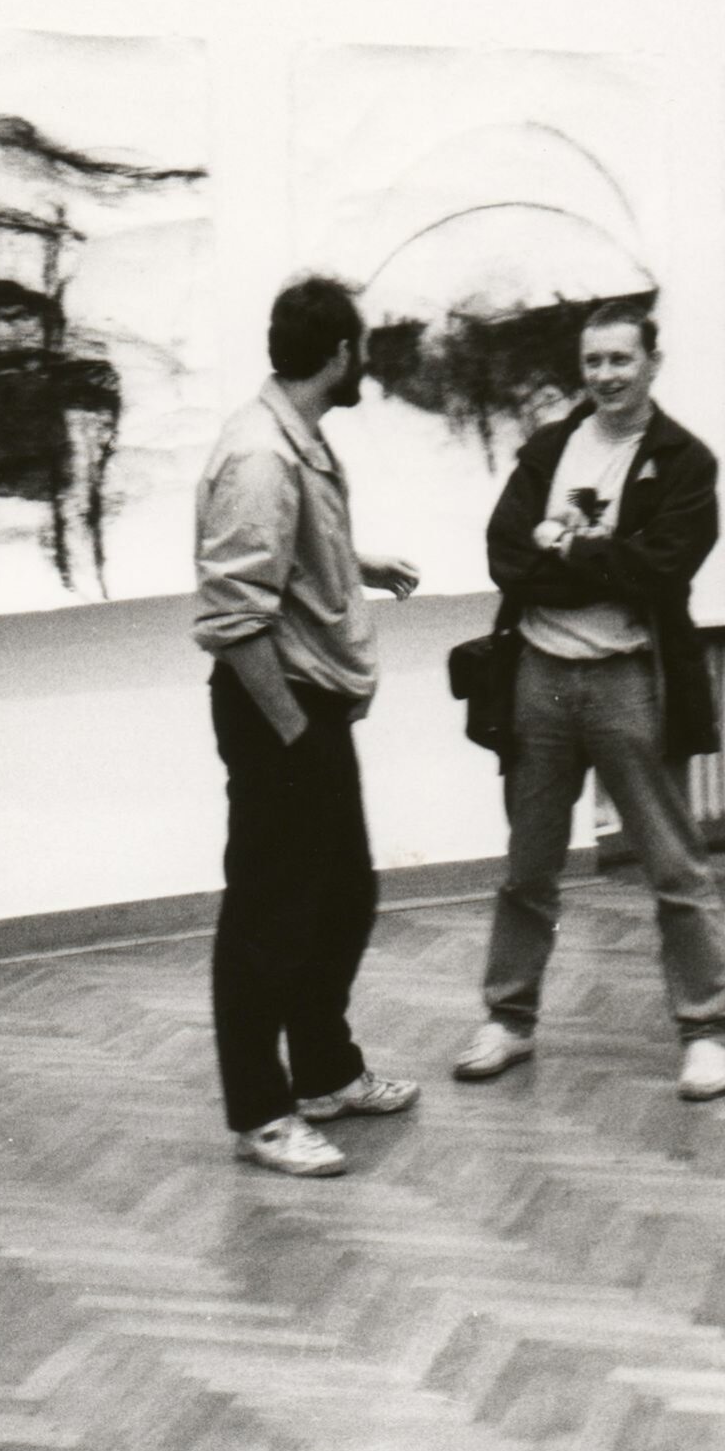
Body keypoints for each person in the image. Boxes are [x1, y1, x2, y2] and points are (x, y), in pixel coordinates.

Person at [453, 301, 725, 1101]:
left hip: (630, 682)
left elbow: (663, 568)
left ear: (652, 363)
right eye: (594, 361)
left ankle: (705, 1031)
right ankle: (509, 1019)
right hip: (539, 679)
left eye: (620, 359)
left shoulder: (684, 461)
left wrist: (569, 550)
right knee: (528, 866)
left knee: (673, 865)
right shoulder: (548, 448)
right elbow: (507, 555)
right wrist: (604, 560)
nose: (606, 375)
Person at [194, 275, 422, 1178]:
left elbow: (282, 553)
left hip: (305, 706)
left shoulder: (295, 439)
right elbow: (233, 618)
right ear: (338, 354)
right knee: (269, 915)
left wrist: (355, 562)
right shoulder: (262, 454)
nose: (362, 363)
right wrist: (292, 730)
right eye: (358, 349)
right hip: (277, 710)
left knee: (341, 897)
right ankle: (261, 1113)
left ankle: (325, 1072)